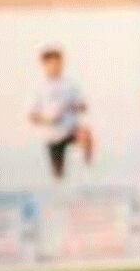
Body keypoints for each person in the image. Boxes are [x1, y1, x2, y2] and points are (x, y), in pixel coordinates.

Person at [29, 48, 92, 181]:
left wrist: (74, 106)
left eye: (59, 63)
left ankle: (88, 167)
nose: (56, 66)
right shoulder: (39, 88)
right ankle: (59, 189)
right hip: (53, 135)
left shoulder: (70, 85)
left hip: (71, 129)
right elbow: (32, 116)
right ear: (45, 65)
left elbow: (83, 106)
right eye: (52, 63)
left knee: (85, 133)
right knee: (58, 174)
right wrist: (47, 120)